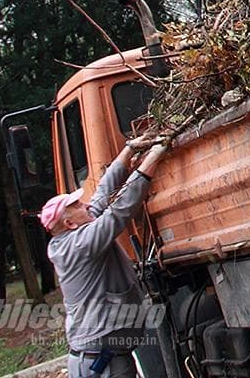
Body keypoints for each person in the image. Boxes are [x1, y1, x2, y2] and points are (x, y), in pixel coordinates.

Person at [40, 135, 170, 378]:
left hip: (101, 359)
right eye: (77, 206)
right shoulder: (78, 245)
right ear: (69, 223)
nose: (85, 205)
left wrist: (129, 150)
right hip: (102, 365)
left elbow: (102, 195)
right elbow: (118, 212)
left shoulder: (75, 234)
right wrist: (154, 157)